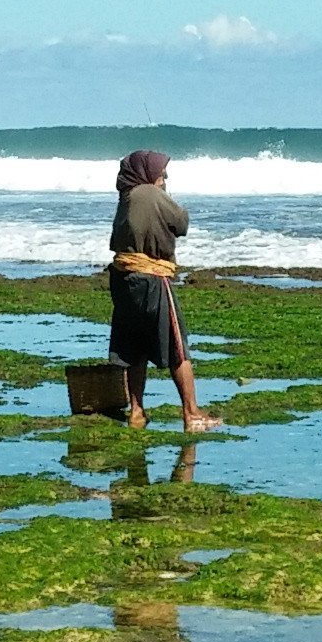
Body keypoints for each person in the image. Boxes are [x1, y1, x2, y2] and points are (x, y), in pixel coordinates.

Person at [107, 148, 218, 430]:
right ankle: (191, 413)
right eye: (161, 171)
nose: (164, 176)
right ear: (148, 172)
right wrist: (164, 195)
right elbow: (180, 223)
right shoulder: (150, 193)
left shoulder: (127, 196)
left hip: (124, 280)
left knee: (133, 348)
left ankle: (136, 412)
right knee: (177, 346)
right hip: (152, 278)